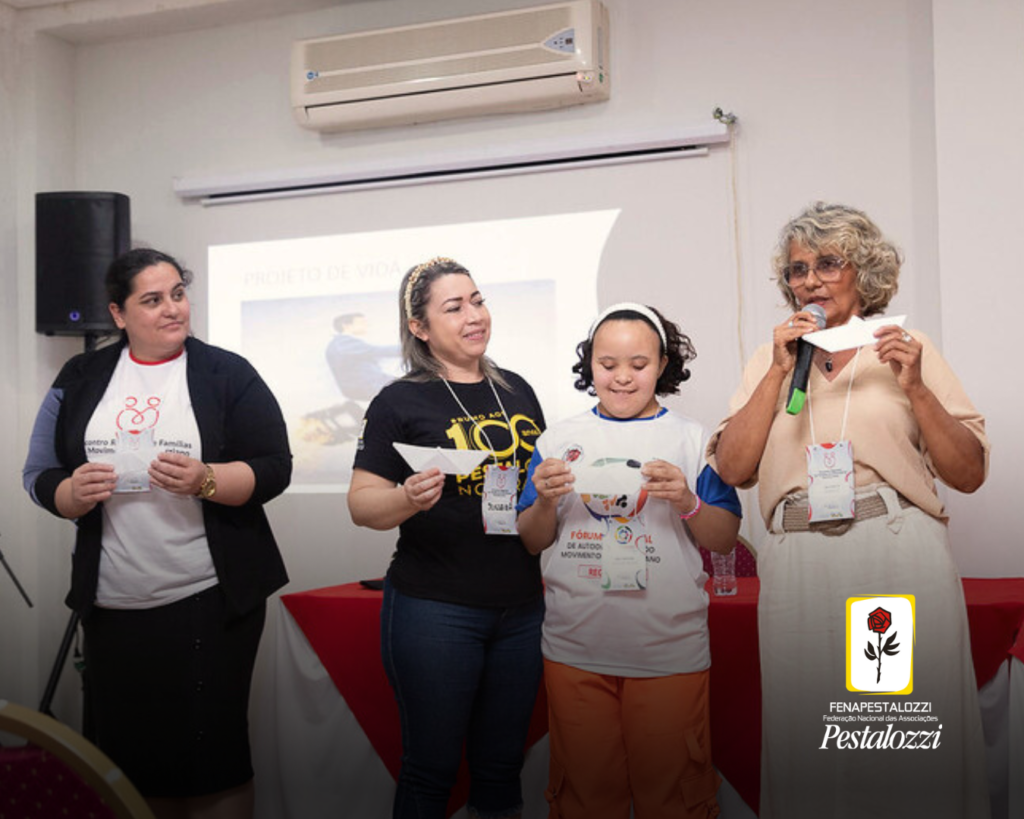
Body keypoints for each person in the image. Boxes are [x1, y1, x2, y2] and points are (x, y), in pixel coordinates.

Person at [708, 202, 990, 817]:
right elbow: (731, 470)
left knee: (894, 727)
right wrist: (778, 373)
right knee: (808, 738)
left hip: (891, 551)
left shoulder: (908, 351)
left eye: (827, 264)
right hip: (798, 563)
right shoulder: (770, 359)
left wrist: (914, 386)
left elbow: (968, 473)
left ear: (864, 272)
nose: (808, 280)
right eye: (796, 269)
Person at [23, 248, 291, 819]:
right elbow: (38, 472)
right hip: (114, 605)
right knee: (129, 764)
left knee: (213, 759)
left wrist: (208, 480)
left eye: (177, 293)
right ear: (118, 315)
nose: (172, 309)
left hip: (211, 601)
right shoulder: (81, 375)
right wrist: (70, 494)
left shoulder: (228, 372)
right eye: (152, 300)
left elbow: (275, 466)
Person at [517, 303, 741, 819]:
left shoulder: (693, 439)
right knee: (585, 800)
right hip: (575, 648)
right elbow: (532, 541)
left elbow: (725, 538)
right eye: (607, 364)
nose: (621, 378)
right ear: (588, 364)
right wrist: (546, 500)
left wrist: (688, 500)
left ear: (663, 364)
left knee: (674, 800)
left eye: (638, 365)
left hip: (668, 651)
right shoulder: (557, 441)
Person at [347, 257, 546, 819]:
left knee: (503, 769)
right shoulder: (399, 401)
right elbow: (362, 505)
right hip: (435, 608)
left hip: (522, 608)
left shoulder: (518, 391)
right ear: (419, 327)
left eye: (478, 301)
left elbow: (531, 502)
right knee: (431, 771)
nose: (474, 316)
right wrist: (407, 497)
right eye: (454, 307)